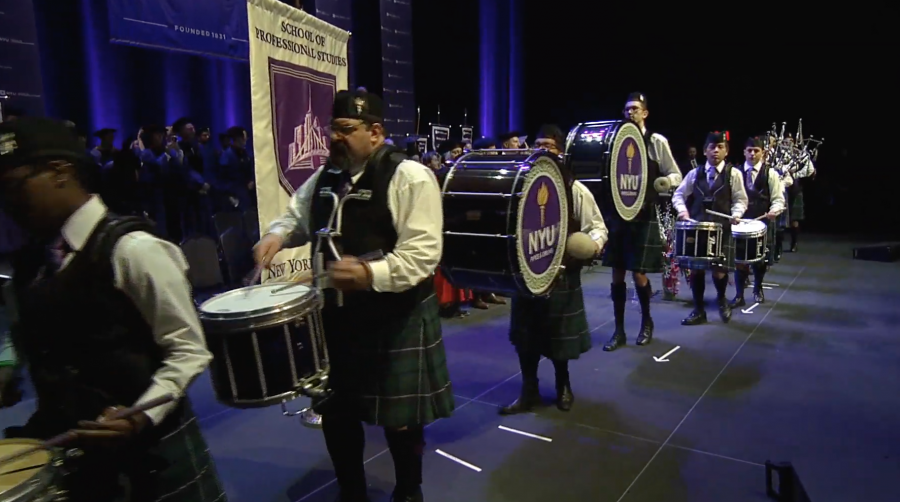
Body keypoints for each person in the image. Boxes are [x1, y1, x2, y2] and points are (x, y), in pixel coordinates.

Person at [0, 117, 226, 502]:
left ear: (60, 173)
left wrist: (139, 415)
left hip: (152, 452)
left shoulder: (134, 250)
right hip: (73, 452)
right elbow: (23, 329)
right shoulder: (29, 262)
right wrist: (7, 367)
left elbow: (188, 349)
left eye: (13, 186)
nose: (6, 204)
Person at [253, 89, 454, 502]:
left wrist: (368, 273)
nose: (335, 138)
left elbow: (423, 256)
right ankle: (351, 491)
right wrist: (276, 235)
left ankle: (408, 490)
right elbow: (296, 216)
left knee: (400, 420)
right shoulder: (324, 177)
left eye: (346, 130)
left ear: (376, 132)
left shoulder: (410, 177)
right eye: (334, 130)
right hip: (338, 318)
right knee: (337, 411)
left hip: (395, 318)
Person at [500, 124, 607, 414]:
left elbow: (597, 227)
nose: (542, 151)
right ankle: (528, 391)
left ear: (560, 153)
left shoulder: (575, 189)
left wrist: (592, 246)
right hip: (527, 276)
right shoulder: (519, 189)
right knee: (525, 338)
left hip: (561, 275)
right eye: (537, 145)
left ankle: (563, 386)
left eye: (548, 146)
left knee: (559, 338)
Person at [602, 92, 682, 351]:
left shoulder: (656, 141)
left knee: (638, 273)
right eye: (626, 109)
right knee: (616, 274)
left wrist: (665, 183)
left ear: (645, 113)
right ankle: (618, 331)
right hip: (618, 213)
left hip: (643, 212)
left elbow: (675, 174)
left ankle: (646, 323)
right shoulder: (615, 141)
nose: (630, 113)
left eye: (635, 109)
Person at [672, 131, 748, 325]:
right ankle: (698, 310)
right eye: (711, 147)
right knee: (696, 270)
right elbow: (679, 195)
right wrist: (683, 211)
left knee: (720, 270)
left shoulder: (734, 174)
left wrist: (737, 214)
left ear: (727, 151)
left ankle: (722, 301)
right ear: (704, 151)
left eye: (720, 147)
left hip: (722, 228)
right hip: (697, 228)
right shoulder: (694, 173)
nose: (715, 151)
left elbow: (740, 199)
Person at [730, 136, 784, 306]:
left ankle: (758, 288)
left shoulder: (771, 173)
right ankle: (739, 295)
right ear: (744, 152)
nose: (752, 154)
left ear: (763, 153)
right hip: (740, 223)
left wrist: (775, 210)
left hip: (762, 223)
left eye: (756, 151)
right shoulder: (736, 172)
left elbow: (778, 198)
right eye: (749, 151)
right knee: (740, 260)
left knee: (759, 260)